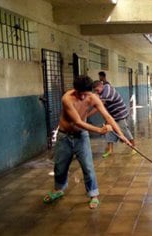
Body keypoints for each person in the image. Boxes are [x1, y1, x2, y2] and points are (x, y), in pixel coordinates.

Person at [43, 75, 131, 209]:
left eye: (86, 94)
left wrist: (122, 135)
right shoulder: (67, 98)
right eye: (80, 94)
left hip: (81, 137)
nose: (83, 97)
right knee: (60, 167)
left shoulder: (93, 97)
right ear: (75, 90)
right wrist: (99, 130)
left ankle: (93, 194)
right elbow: (77, 122)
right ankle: (58, 190)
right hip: (64, 136)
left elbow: (107, 116)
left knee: (88, 167)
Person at [92, 80, 135, 158]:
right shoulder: (102, 91)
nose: (96, 92)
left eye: (97, 90)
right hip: (112, 115)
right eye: (95, 91)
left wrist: (87, 115)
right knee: (109, 131)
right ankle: (110, 150)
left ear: (101, 86)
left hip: (120, 113)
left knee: (124, 130)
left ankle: (134, 147)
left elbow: (98, 106)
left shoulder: (107, 91)